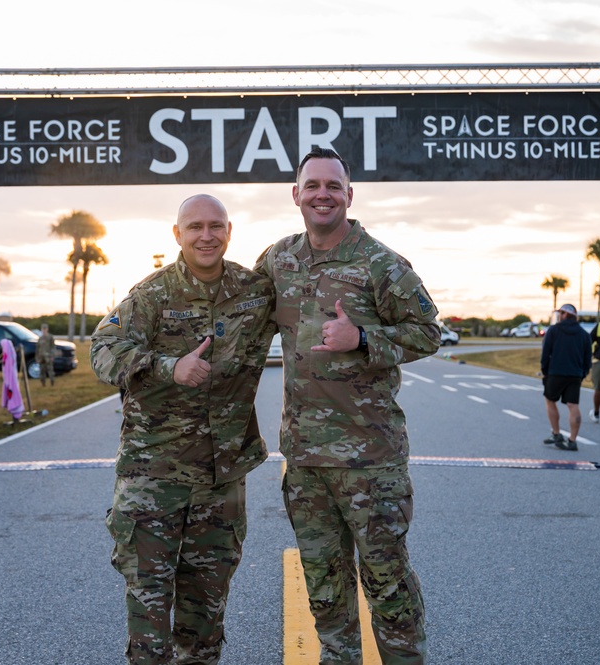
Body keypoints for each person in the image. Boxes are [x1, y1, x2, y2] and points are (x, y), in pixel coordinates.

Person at [255, 148, 442, 664]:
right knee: (324, 586)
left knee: (387, 583)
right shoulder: (278, 260)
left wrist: (361, 338)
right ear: (296, 194)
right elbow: (242, 314)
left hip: (370, 462)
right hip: (306, 461)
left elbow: (428, 333)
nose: (323, 194)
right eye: (313, 185)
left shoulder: (382, 263)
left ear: (349, 195)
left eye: (333, 186)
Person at [91, 194, 275, 664]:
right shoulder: (152, 295)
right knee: (150, 623)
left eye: (215, 226)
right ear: (178, 234)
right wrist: (168, 367)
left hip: (220, 480)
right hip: (155, 479)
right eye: (195, 227)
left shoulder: (256, 293)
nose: (206, 236)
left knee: (205, 620)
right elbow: (103, 351)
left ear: (229, 231)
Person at [540, 303, 592, 451]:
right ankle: (572, 440)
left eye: (561, 313)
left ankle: (556, 433)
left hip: (555, 372)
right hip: (575, 374)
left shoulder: (553, 330)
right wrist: (583, 373)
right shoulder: (584, 334)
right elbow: (588, 357)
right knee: (573, 405)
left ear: (564, 315)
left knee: (550, 400)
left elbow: (545, 352)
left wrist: (545, 370)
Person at [36, 323, 56, 387]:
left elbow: (53, 347)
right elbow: (38, 348)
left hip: (48, 356)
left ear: (47, 329)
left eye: (45, 329)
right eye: (43, 329)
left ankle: (52, 382)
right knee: (42, 370)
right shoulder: (40, 338)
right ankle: (43, 383)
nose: (44, 330)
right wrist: (37, 357)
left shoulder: (50, 337)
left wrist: (52, 356)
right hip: (41, 357)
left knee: (50, 370)